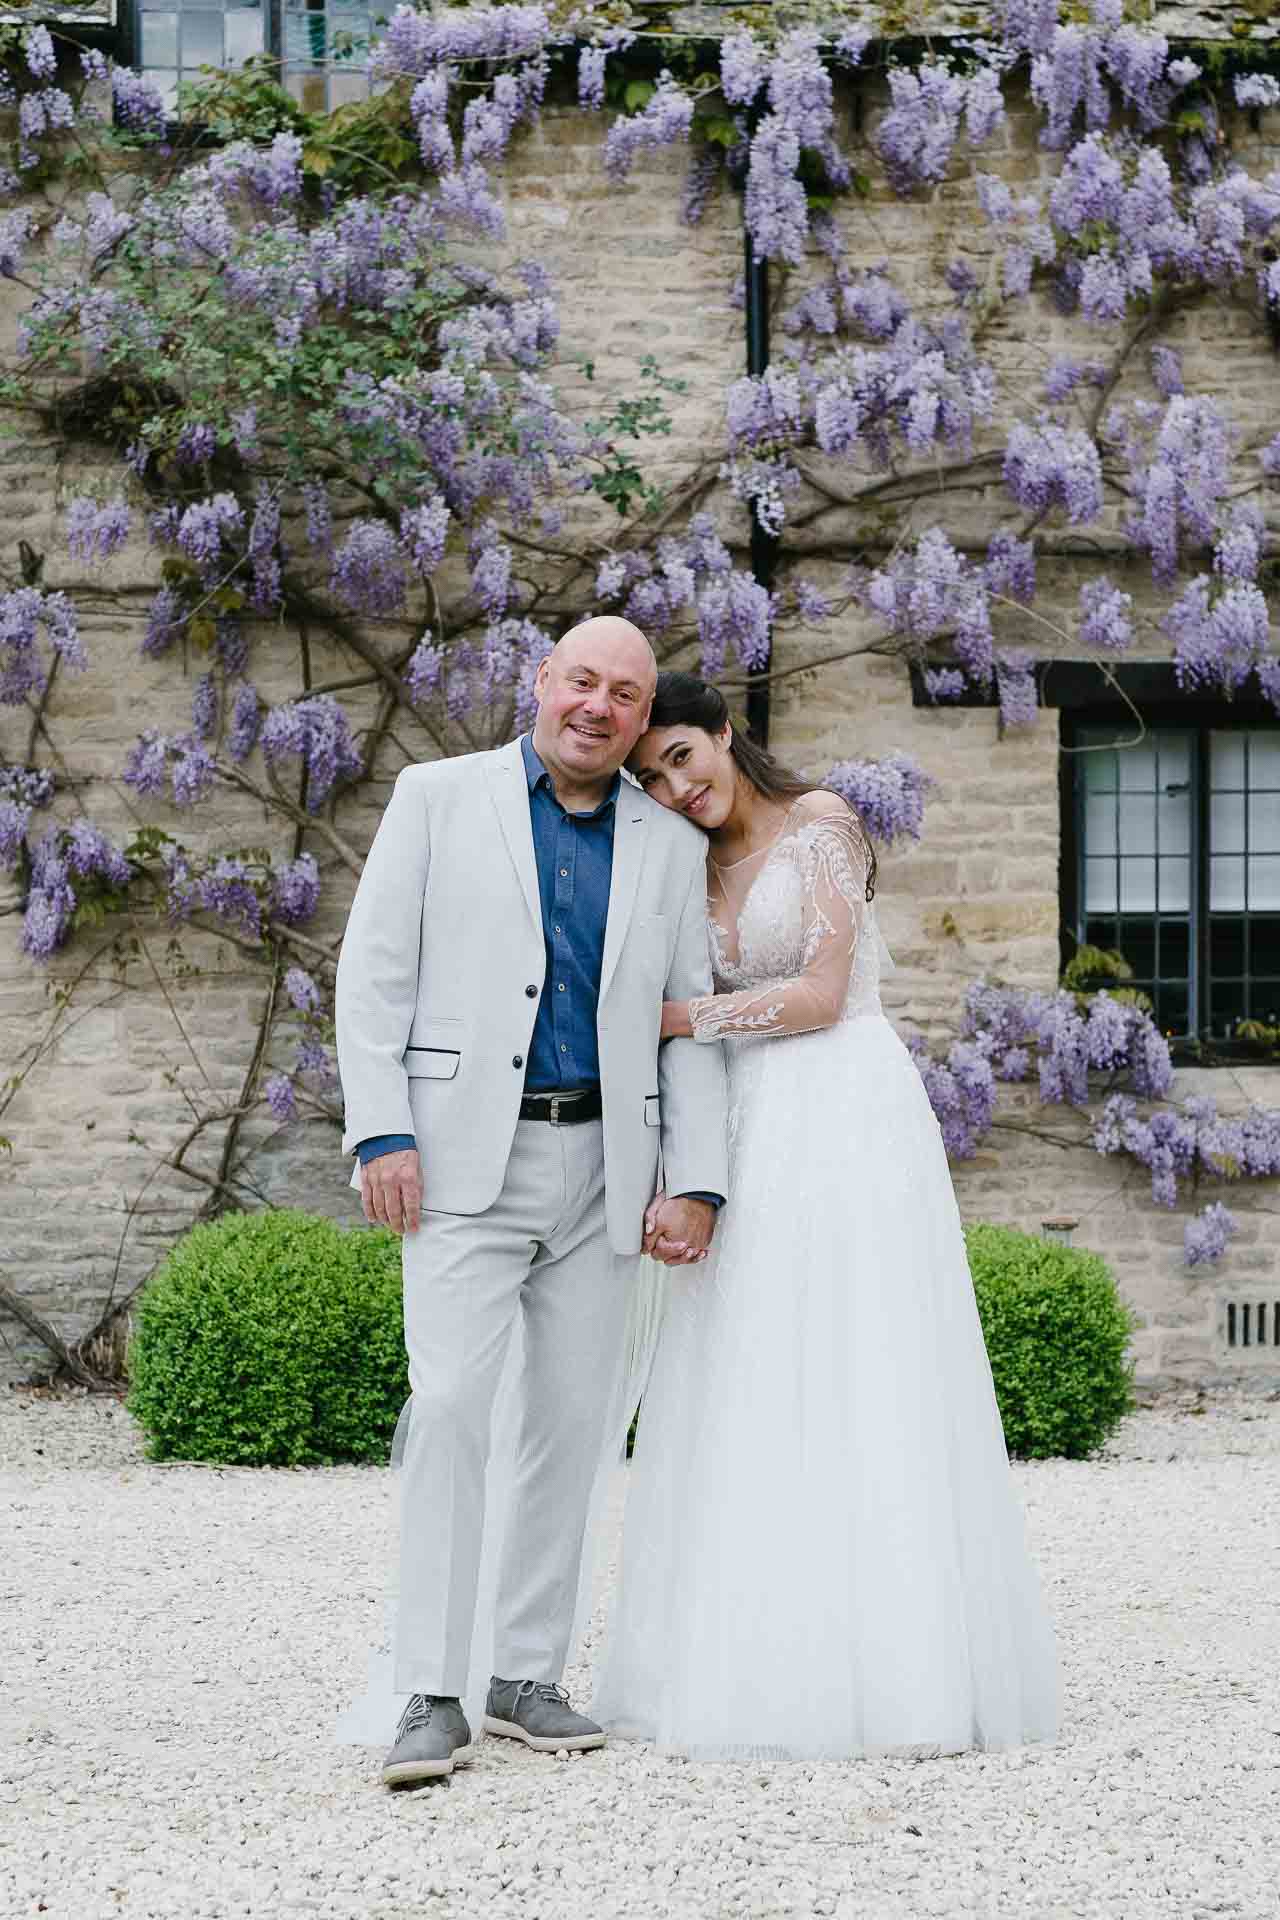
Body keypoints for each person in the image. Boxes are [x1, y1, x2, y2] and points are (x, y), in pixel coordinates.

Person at [593, 672, 1059, 1761]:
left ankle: (897, 1671)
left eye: (679, 757)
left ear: (722, 733)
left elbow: (815, 992)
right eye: (649, 776)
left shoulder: (821, 824)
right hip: (745, 1115)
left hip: (842, 1106)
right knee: (745, 1367)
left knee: (859, 1360)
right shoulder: (680, 862)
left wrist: (677, 1016)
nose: (672, 786)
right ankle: (750, 1655)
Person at [334, 623, 729, 1787]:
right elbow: (374, 972)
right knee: (451, 1407)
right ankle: (428, 1687)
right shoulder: (436, 796)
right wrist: (382, 1131)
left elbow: (684, 1008)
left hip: (604, 1161)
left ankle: (520, 1675)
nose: (598, 707)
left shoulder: (663, 841)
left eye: (624, 694)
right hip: (461, 1160)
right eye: (580, 682)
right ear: (540, 685)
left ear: (643, 713)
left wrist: (695, 1180)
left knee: (569, 1427)